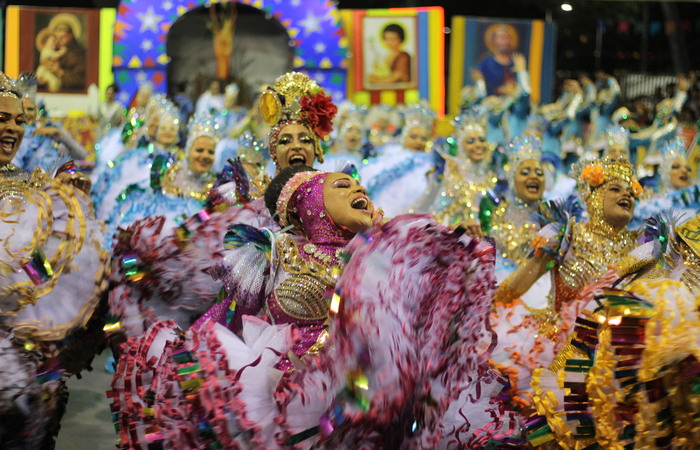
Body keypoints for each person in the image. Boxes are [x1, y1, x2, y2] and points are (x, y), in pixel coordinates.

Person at [109, 165, 519, 448]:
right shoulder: (271, 251)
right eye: (341, 186)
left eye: (359, 186)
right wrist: (187, 365)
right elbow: (226, 316)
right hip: (288, 395)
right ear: (306, 204)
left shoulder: (391, 256)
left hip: (369, 397)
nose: (358, 190)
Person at [0, 71, 108, 448]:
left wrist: (48, 270)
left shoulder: (31, 188)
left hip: (18, 346)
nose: (13, 128)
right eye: (2, 118)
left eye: (18, 120)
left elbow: (35, 269)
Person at [491, 158, 643, 408]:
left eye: (631, 192)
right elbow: (516, 286)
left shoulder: (641, 248)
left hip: (614, 355)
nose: (626, 194)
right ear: (593, 197)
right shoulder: (567, 234)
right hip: (557, 350)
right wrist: (484, 311)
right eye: (614, 188)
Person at [35, 13, 87, 92]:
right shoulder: (53, 50)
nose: (59, 40)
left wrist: (60, 72)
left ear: (71, 35)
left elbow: (81, 79)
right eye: (57, 37)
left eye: (63, 37)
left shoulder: (79, 54)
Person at [477, 23, 518, 96]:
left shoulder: (516, 62)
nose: (506, 41)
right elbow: (482, 89)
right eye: (503, 38)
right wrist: (501, 90)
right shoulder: (485, 64)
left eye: (508, 37)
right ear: (493, 41)